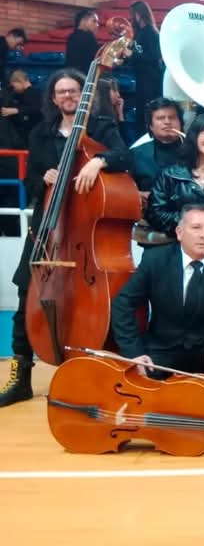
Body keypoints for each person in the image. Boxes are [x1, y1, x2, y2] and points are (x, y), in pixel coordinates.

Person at [0, 69, 133, 407]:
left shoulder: (102, 128)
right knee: (26, 292)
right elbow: (30, 183)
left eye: (73, 90)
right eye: (61, 92)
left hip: (83, 232)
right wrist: (43, 178)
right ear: (53, 98)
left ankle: (102, 371)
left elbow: (126, 156)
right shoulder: (41, 134)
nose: (68, 97)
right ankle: (22, 378)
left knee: (103, 300)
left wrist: (100, 160)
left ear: (84, 93)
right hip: (48, 230)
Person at [111, 205, 204, 386]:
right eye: (196, 228)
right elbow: (123, 304)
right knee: (139, 382)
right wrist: (134, 352)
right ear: (180, 232)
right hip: (163, 348)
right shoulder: (155, 259)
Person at [146, 113, 204, 252]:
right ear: (194, 136)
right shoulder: (170, 174)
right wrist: (192, 222)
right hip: (176, 247)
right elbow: (155, 213)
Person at [130, 98, 185, 193]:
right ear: (151, 126)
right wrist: (137, 194)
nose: (167, 122)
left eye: (172, 117)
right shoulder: (136, 154)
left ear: (180, 122)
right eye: (160, 118)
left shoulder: (194, 150)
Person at [126, 0, 163, 135]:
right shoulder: (139, 33)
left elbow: (155, 55)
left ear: (139, 14)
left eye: (133, 14)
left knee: (148, 114)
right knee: (141, 115)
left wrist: (132, 54)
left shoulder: (151, 32)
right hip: (141, 79)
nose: (132, 18)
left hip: (150, 81)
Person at [0, 69, 43, 149]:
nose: (14, 89)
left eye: (14, 85)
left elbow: (38, 109)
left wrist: (16, 110)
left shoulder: (34, 93)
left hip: (31, 133)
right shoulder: (18, 95)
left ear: (20, 81)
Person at [64, 9, 99, 75]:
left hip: (71, 76)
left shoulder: (71, 37)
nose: (97, 25)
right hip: (84, 78)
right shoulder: (88, 37)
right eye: (94, 21)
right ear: (83, 21)